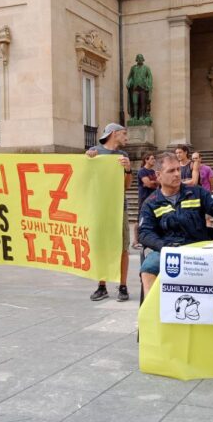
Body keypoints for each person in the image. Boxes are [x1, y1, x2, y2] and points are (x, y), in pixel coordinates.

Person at [138, 153, 213, 296]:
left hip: (199, 247)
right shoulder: (151, 202)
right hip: (168, 250)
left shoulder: (196, 192)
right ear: (158, 175)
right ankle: (151, 316)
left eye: (178, 169)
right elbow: (145, 233)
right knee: (148, 268)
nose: (177, 174)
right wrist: (164, 247)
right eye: (171, 171)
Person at [86, 123, 132, 301]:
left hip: (120, 207)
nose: (127, 137)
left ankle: (123, 285)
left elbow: (127, 186)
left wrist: (128, 169)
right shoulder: (94, 152)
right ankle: (102, 285)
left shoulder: (123, 155)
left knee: (123, 247)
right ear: (114, 134)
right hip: (100, 207)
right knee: (101, 246)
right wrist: (87, 159)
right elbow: (86, 177)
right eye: (124, 133)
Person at [134, 153, 158, 249]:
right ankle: (135, 240)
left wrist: (153, 183)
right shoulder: (142, 171)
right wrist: (152, 183)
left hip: (153, 197)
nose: (154, 160)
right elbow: (148, 184)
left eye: (154, 158)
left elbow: (159, 182)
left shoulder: (153, 171)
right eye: (152, 158)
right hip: (144, 198)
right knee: (139, 218)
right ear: (146, 160)